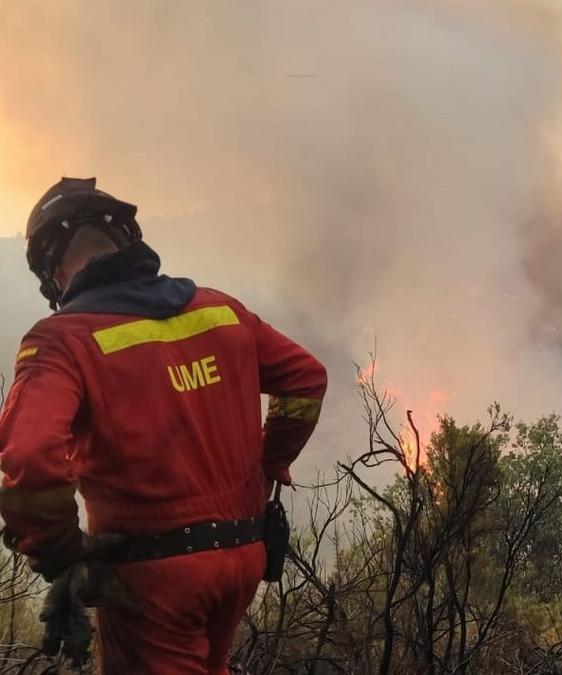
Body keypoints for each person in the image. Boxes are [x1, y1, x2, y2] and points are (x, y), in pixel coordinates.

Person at [0, 178, 328, 673]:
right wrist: (268, 466)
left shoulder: (61, 340)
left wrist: (60, 552)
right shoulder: (221, 310)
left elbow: (28, 459)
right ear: (127, 239)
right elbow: (306, 381)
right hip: (242, 557)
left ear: (51, 270)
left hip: (151, 581)